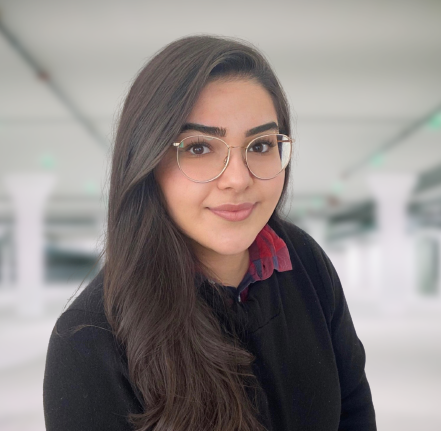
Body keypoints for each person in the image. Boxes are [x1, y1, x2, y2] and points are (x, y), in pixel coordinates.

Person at [43, 35, 376, 431]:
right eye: (199, 148)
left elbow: (354, 410)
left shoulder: (304, 260)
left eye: (261, 145)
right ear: (146, 160)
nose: (238, 179)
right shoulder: (88, 341)